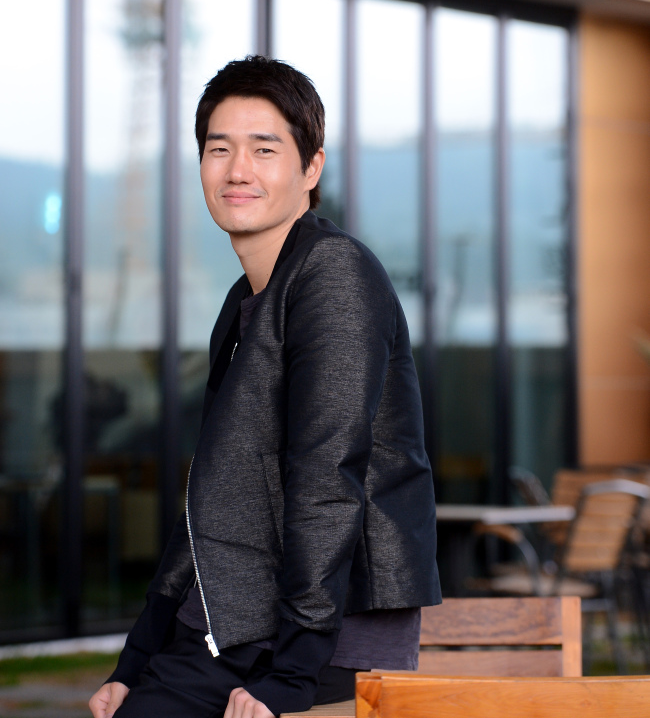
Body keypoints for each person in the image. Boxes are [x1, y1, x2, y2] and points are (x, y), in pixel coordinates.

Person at [90, 55, 440, 718]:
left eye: (264, 148)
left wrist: (295, 668)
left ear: (311, 168)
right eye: (218, 148)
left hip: (306, 635)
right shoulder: (247, 299)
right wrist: (136, 660)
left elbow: (328, 472)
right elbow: (211, 495)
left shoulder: (333, 272)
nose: (237, 169)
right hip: (237, 617)